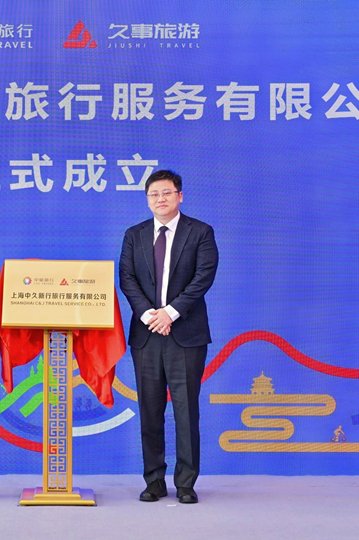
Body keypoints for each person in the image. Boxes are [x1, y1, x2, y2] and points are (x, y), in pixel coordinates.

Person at [119, 170, 218, 504]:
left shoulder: (200, 232)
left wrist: (171, 313)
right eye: (154, 194)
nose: (160, 199)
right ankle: (154, 480)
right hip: (147, 334)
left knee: (186, 411)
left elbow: (203, 277)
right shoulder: (134, 234)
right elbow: (127, 278)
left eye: (166, 193)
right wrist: (150, 315)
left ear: (180, 196)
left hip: (185, 333)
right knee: (150, 410)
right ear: (147, 199)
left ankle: (186, 483)